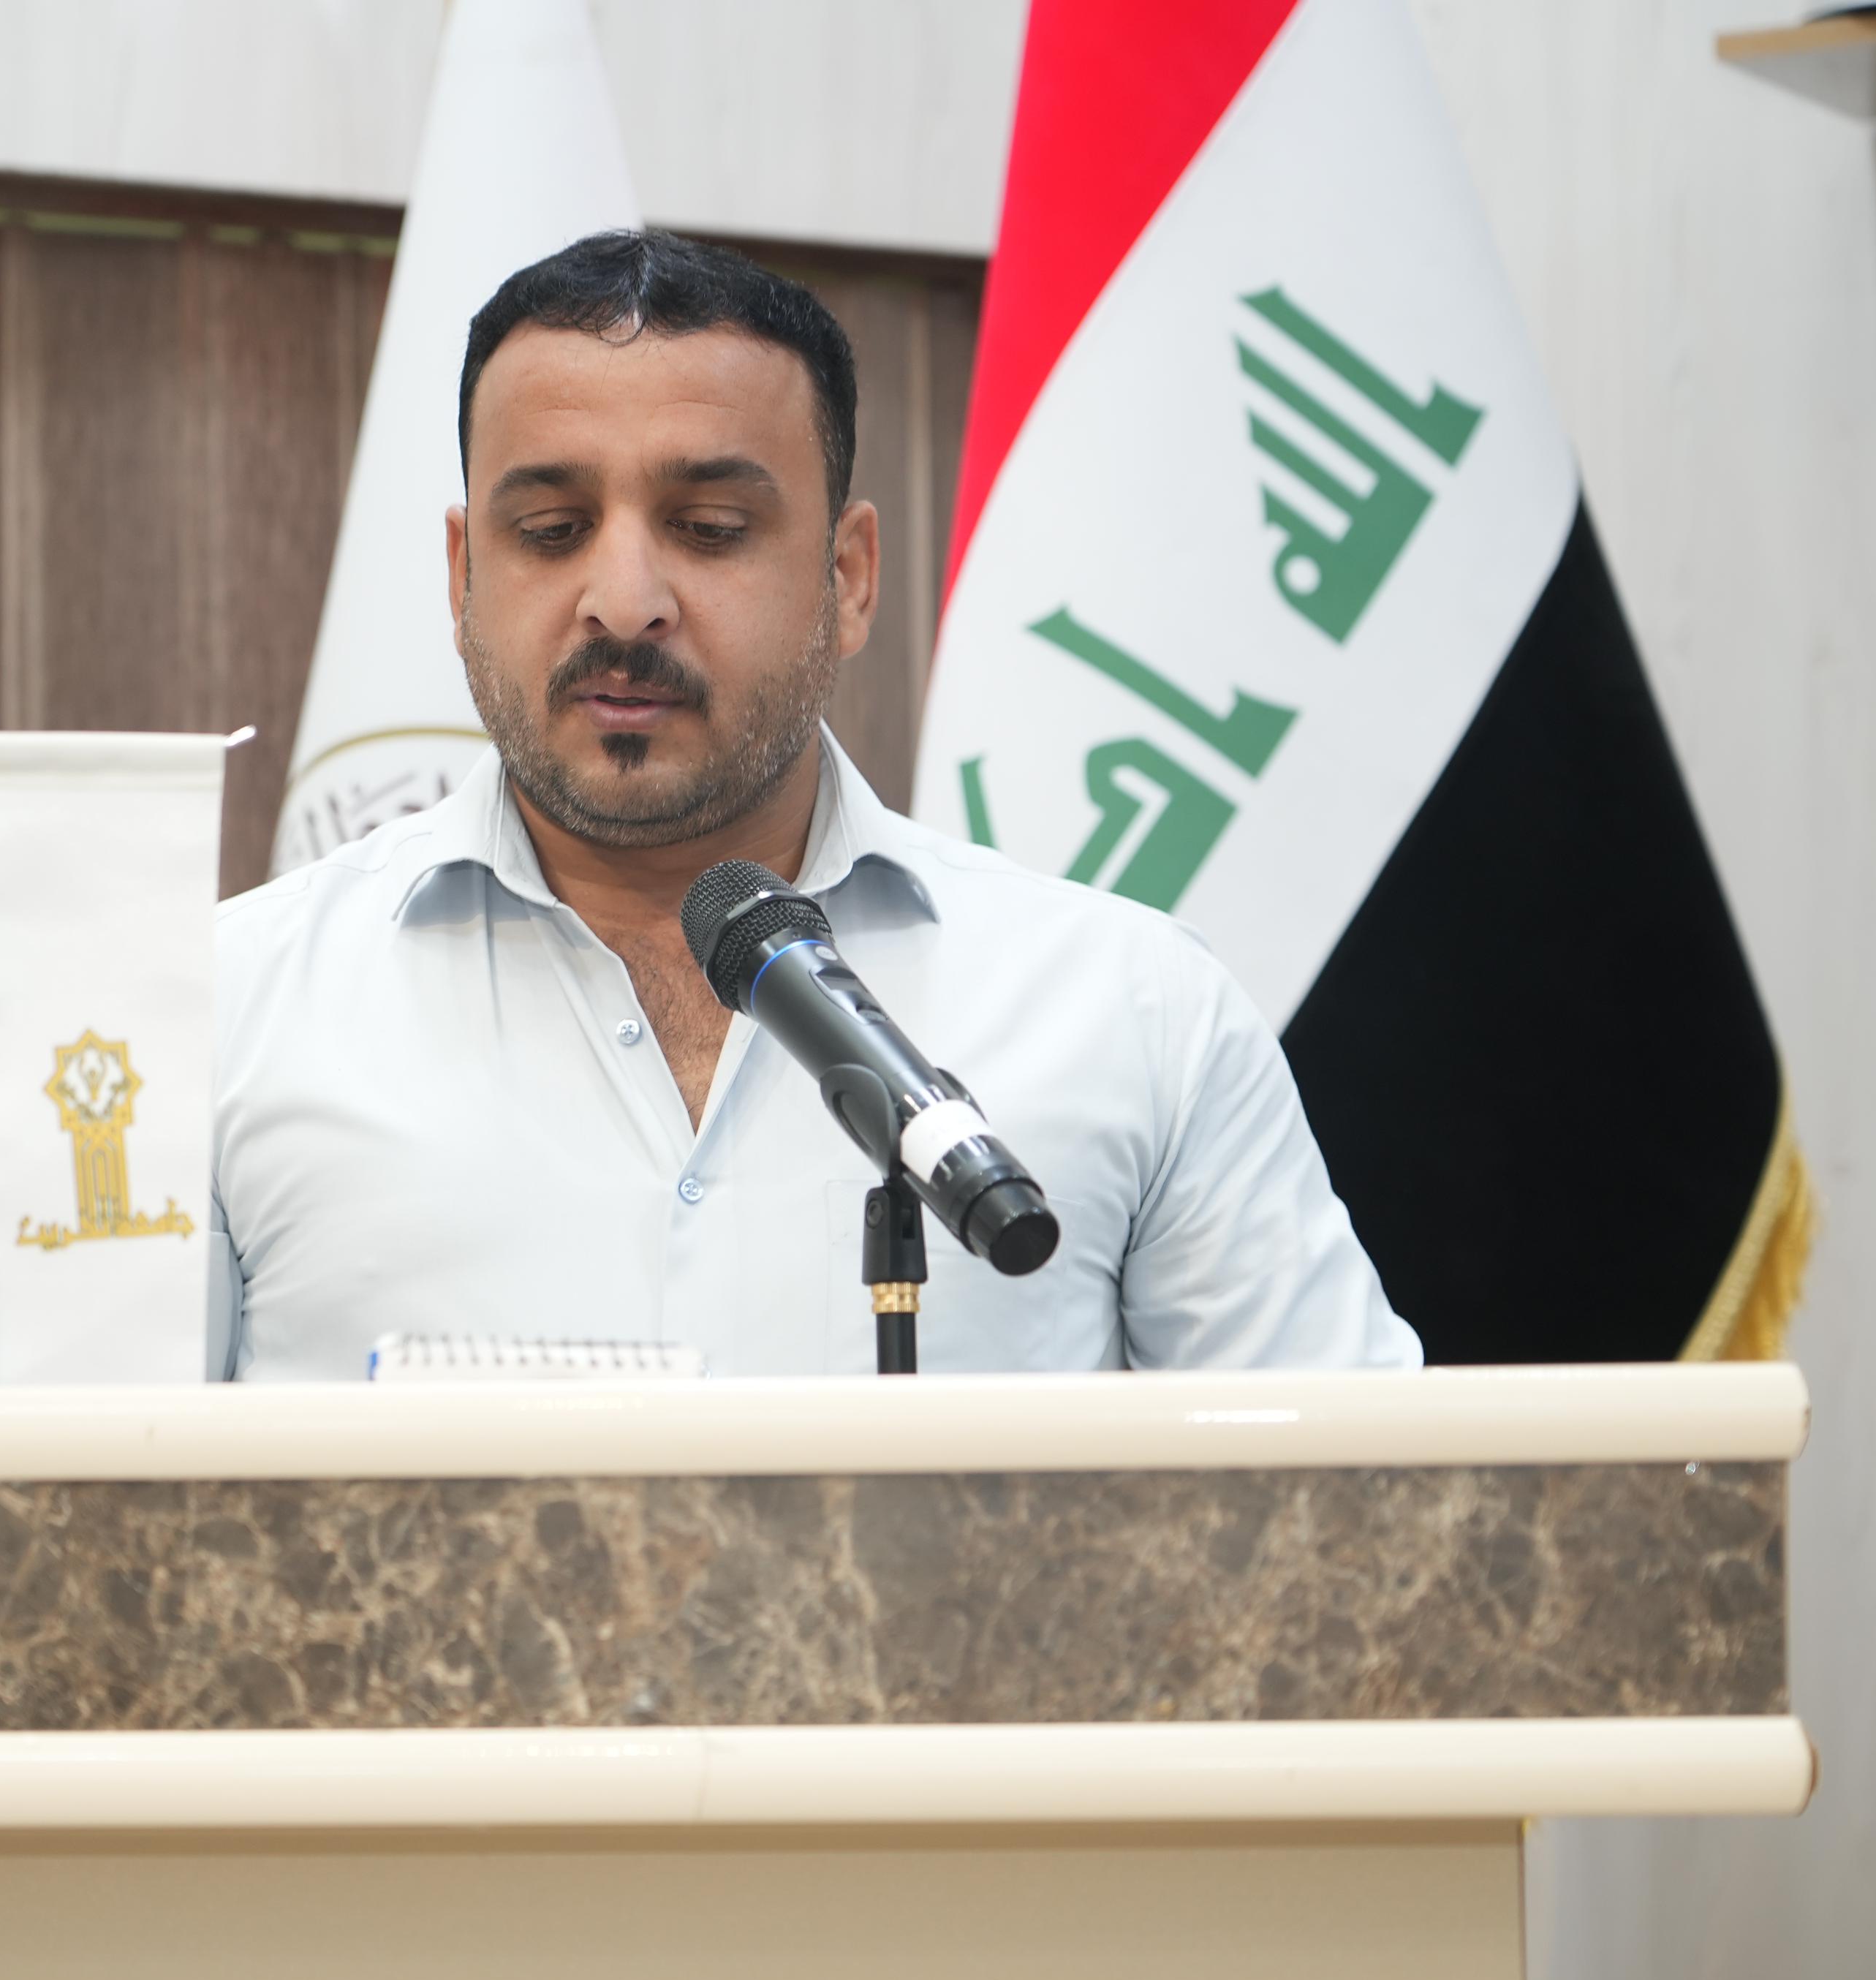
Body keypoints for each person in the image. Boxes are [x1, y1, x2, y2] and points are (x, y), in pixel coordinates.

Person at [210, 230, 1417, 1381]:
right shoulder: (225, 1013)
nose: (624, 600)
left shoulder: (1134, 1012)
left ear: (848, 578)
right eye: (552, 529)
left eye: (709, 529)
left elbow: (1361, 1496)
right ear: (464, 576)